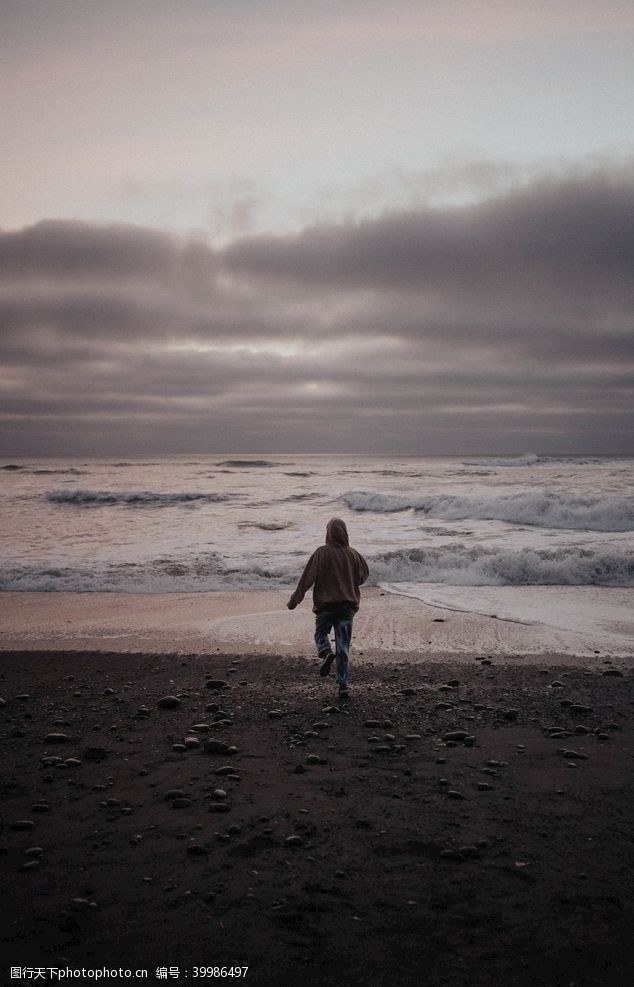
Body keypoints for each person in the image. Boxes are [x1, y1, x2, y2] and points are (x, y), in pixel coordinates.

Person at [287, 517, 369, 700]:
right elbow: (363, 576)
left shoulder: (321, 553)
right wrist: (348, 577)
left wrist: (295, 600)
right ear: (345, 533)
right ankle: (343, 686)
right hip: (347, 607)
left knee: (320, 634)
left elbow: (307, 579)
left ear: (328, 533)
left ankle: (325, 652)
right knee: (343, 647)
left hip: (325, 606)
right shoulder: (354, 554)